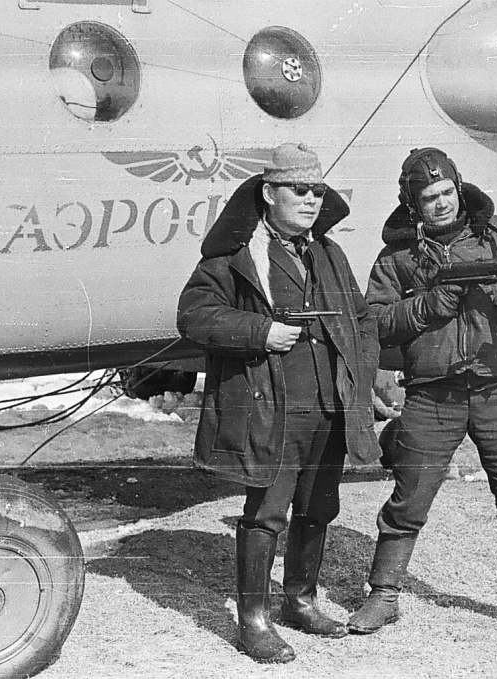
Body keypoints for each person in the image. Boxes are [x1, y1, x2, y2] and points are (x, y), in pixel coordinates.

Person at [348, 147, 497, 644]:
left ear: (459, 187)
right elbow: (375, 322)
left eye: (447, 192)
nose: (442, 203)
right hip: (433, 394)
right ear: (413, 203)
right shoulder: (398, 256)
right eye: (430, 197)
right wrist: (429, 305)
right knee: (409, 498)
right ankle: (383, 595)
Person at [177, 142, 381, 663]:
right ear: (269, 194)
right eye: (300, 190)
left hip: (330, 410)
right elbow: (194, 316)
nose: (312, 200)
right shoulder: (236, 257)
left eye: (318, 191)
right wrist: (260, 332)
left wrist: (360, 380)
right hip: (274, 411)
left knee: (318, 508)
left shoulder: (329, 254)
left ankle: (300, 601)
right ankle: (254, 621)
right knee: (266, 514)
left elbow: (361, 322)